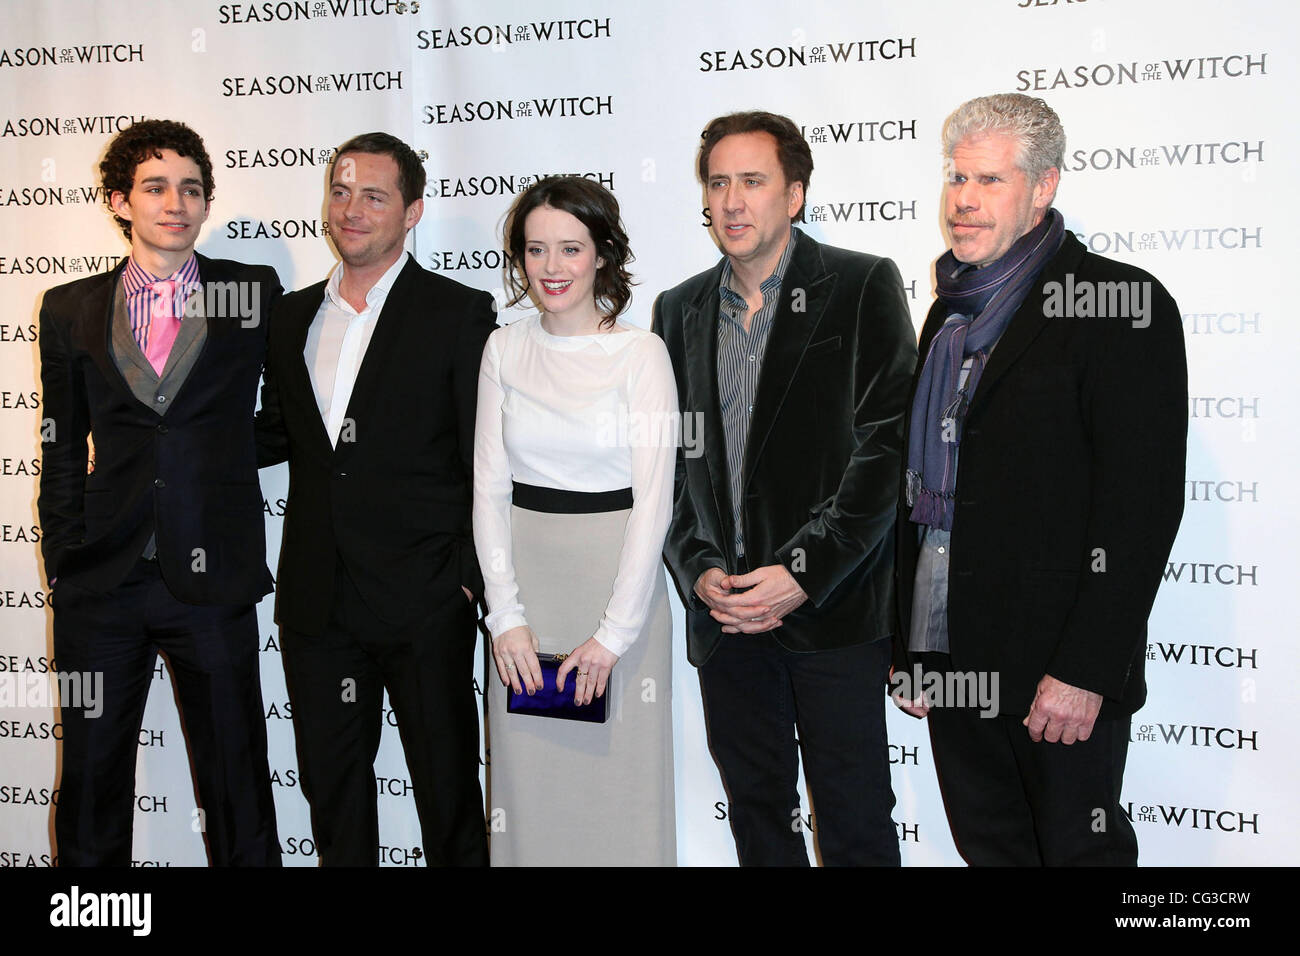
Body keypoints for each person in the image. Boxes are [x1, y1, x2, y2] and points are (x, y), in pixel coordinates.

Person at [893, 93, 1187, 865]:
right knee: (989, 850)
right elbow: (926, 501)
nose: (963, 200)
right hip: (955, 649)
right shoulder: (948, 315)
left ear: (1044, 185)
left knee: (1077, 854)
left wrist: (1086, 671)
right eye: (957, 178)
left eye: (989, 180)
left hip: (1056, 662)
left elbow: (1142, 508)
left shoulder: (1118, 302)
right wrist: (916, 648)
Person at [653, 111, 917, 866]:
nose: (732, 201)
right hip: (728, 617)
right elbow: (672, 464)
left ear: (794, 195)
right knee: (758, 817)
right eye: (718, 183)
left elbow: (885, 447)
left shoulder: (861, 284)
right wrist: (699, 571)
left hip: (831, 611)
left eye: (754, 181)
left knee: (855, 816)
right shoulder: (678, 310)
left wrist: (801, 574)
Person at [37, 119, 282, 865]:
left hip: (211, 583)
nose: (175, 202)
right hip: (100, 585)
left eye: (191, 188)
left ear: (206, 203)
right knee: (90, 783)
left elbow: (287, 417)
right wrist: (64, 563)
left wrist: (219, 462)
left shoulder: (249, 291)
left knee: (236, 781)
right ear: (119, 200)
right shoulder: (69, 306)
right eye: (155, 186)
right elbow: (57, 442)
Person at [255, 132, 496, 866]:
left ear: (413, 211)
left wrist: (465, 577)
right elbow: (276, 436)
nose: (350, 210)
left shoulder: (458, 312)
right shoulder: (291, 316)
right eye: (340, 191)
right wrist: (158, 441)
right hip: (318, 602)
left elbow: (485, 456)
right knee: (333, 799)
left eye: (373, 196)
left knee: (449, 798)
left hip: (425, 599)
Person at [474, 175, 677, 866]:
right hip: (524, 592)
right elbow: (489, 487)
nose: (551, 268)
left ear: (602, 255)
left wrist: (614, 633)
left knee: (621, 789)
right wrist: (504, 617)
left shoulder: (640, 352)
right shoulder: (504, 348)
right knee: (529, 793)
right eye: (536, 250)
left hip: (618, 585)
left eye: (570, 248)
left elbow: (654, 500)